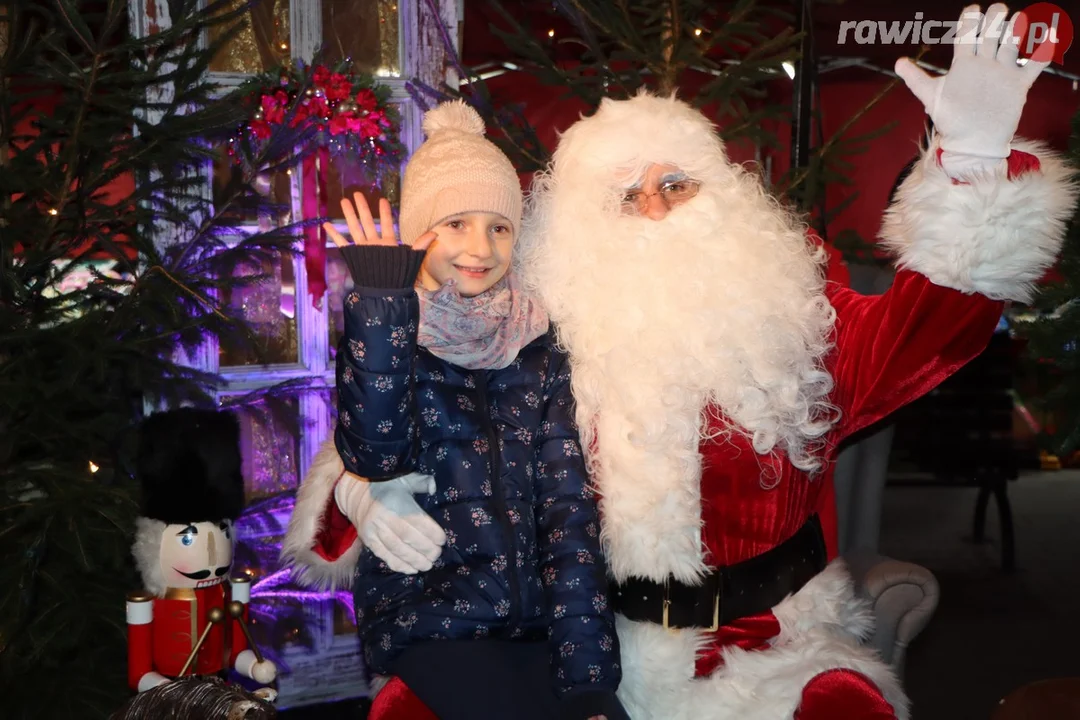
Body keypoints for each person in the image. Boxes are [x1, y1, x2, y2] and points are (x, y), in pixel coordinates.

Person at [305, 5, 1075, 719]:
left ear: (724, 195)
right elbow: (407, 411)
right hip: (586, 644)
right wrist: (362, 489)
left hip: (778, 643)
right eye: (622, 193)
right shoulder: (532, 329)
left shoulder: (794, 317)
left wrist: (971, 170)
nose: (652, 209)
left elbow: (930, 334)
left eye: (675, 183)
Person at [283, 100, 627, 720]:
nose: (481, 246)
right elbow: (374, 450)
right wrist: (386, 299)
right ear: (420, 233)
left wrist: (590, 674)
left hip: (537, 629)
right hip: (431, 620)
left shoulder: (536, 344)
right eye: (456, 223)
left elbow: (566, 512)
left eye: (500, 226)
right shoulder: (391, 335)